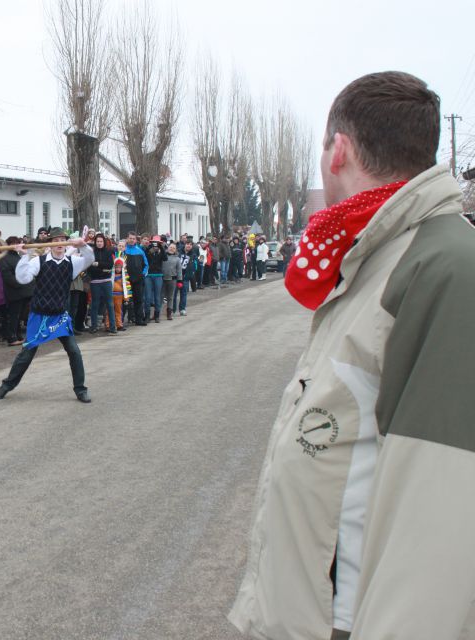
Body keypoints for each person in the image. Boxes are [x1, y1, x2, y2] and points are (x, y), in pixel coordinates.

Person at [229, 71, 475, 640]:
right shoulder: (381, 257)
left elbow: (441, 507)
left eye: (322, 147)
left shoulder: (444, 269)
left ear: (338, 149)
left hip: (357, 618)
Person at [0, 228, 94, 403]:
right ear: (50, 244)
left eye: (63, 240)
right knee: (26, 354)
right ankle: (7, 385)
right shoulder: (38, 262)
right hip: (39, 316)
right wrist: (26, 255)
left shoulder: (73, 262)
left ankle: (80, 389)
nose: (60, 244)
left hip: (60, 317)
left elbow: (90, 258)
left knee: (74, 352)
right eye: (56, 240)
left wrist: (83, 245)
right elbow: (22, 278)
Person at [0, 236, 34, 347]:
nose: (15, 245)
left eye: (17, 243)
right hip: (14, 292)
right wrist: (21, 282)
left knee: (20, 316)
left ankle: (18, 336)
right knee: (13, 316)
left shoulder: (18, 256)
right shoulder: (4, 258)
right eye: (12, 243)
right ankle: (11, 337)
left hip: (24, 292)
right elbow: (7, 277)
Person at [87, 232, 115, 334]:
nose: (99, 243)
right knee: (94, 305)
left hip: (106, 282)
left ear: (104, 242)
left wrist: (98, 264)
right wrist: (102, 268)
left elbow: (110, 265)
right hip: (95, 282)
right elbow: (90, 267)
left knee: (110, 304)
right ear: (95, 242)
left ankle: (113, 326)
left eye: (101, 241)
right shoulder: (92, 253)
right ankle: (94, 326)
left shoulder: (108, 251)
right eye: (97, 241)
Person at [123, 232, 148, 326]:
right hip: (126, 279)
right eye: (130, 238)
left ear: (136, 240)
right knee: (125, 300)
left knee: (138, 300)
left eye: (133, 238)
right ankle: (121, 320)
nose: (132, 240)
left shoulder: (140, 251)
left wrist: (142, 275)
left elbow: (146, 265)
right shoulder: (123, 250)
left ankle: (139, 319)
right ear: (127, 239)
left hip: (138, 280)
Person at [145, 236, 166, 322]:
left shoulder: (160, 252)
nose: (155, 245)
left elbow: (165, 258)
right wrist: (150, 247)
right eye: (154, 243)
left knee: (157, 297)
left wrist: (161, 247)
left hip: (158, 275)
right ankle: (147, 315)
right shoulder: (149, 251)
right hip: (149, 275)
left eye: (157, 243)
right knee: (148, 297)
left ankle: (157, 315)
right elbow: (145, 256)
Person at [160, 243, 181, 321]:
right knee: (160, 297)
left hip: (172, 280)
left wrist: (180, 280)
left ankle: (169, 313)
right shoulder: (163, 256)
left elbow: (179, 270)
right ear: (168, 248)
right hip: (162, 279)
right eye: (170, 247)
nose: (172, 249)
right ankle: (157, 313)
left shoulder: (177, 259)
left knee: (170, 297)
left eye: (174, 248)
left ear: (175, 250)